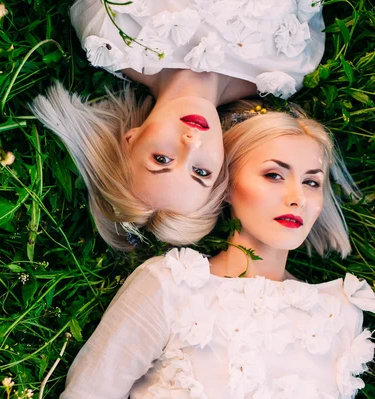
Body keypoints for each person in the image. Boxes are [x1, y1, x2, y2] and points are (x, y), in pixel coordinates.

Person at [58, 103, 374, 399]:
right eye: (274, 175)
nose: (298, 198)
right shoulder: (169, 286)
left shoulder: (340, 313)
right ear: (227, 183)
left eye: (312, 182)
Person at [31, 0, 326, 250]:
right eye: (200, 171)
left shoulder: (112, 38)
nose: (192, 142)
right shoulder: (286, 70)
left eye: (162, 159)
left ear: (131, 140)